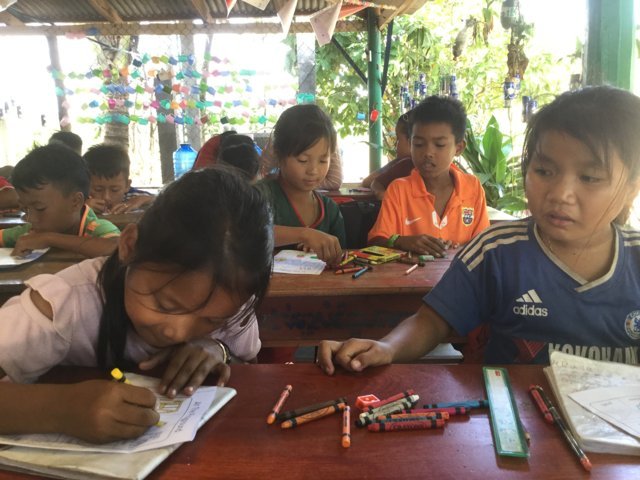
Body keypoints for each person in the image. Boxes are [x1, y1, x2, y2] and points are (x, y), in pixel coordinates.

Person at [318, 85, 640, 374]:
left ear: (631, 187)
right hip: (513, 416)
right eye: (544, 171)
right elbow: (432, 321)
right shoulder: (497, 252)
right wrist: (387, 347)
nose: (561, 194)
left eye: (589, 178)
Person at [0, 167, 273, 443]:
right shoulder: (62, 303)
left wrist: (218, 351)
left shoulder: (233, 299)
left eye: (212, 321)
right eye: (165, 305)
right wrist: (62, 409)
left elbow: (248, 367)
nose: (177, 332)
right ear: (129, 246)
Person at [367, 96, 490, 258]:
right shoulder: (399, 190)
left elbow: (484, 245)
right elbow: (375, 243)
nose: (428, 153)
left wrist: (459, 250)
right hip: (410, 274)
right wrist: (401, 242)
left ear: (459, 148)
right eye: (418, 144)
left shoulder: (472, 188)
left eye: (439, 145)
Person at [254, 104, 346, 265]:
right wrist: (304, 235)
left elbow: (341, 256)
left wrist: (326, 252)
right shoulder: (259, 195)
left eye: (323, 160)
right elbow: (246, 234)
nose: (313, 170)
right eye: (303, 160)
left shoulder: (330, 210)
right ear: (280, 155)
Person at [0, 144, 120, 257]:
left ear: (75, 202)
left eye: (40, 208)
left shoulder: (96, 228)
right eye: (25, 209)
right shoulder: (31, 231)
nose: (31, 219)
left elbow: (116, 248)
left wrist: (49, 239)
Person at [83, 144, 155, 214]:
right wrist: (82, 208)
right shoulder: (81, 199)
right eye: (98, 189)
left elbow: (159, 200)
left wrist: (142, 200)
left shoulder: (133, 197)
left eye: (115, 190)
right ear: (85, 185)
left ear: (127, 185)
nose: (106, 197)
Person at [362, 111, 413, 200]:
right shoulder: (403, 165)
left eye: (398, 139)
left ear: (411, 141)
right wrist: (381, 193)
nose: (395, 144)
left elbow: (368, 181)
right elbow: (371, 182)